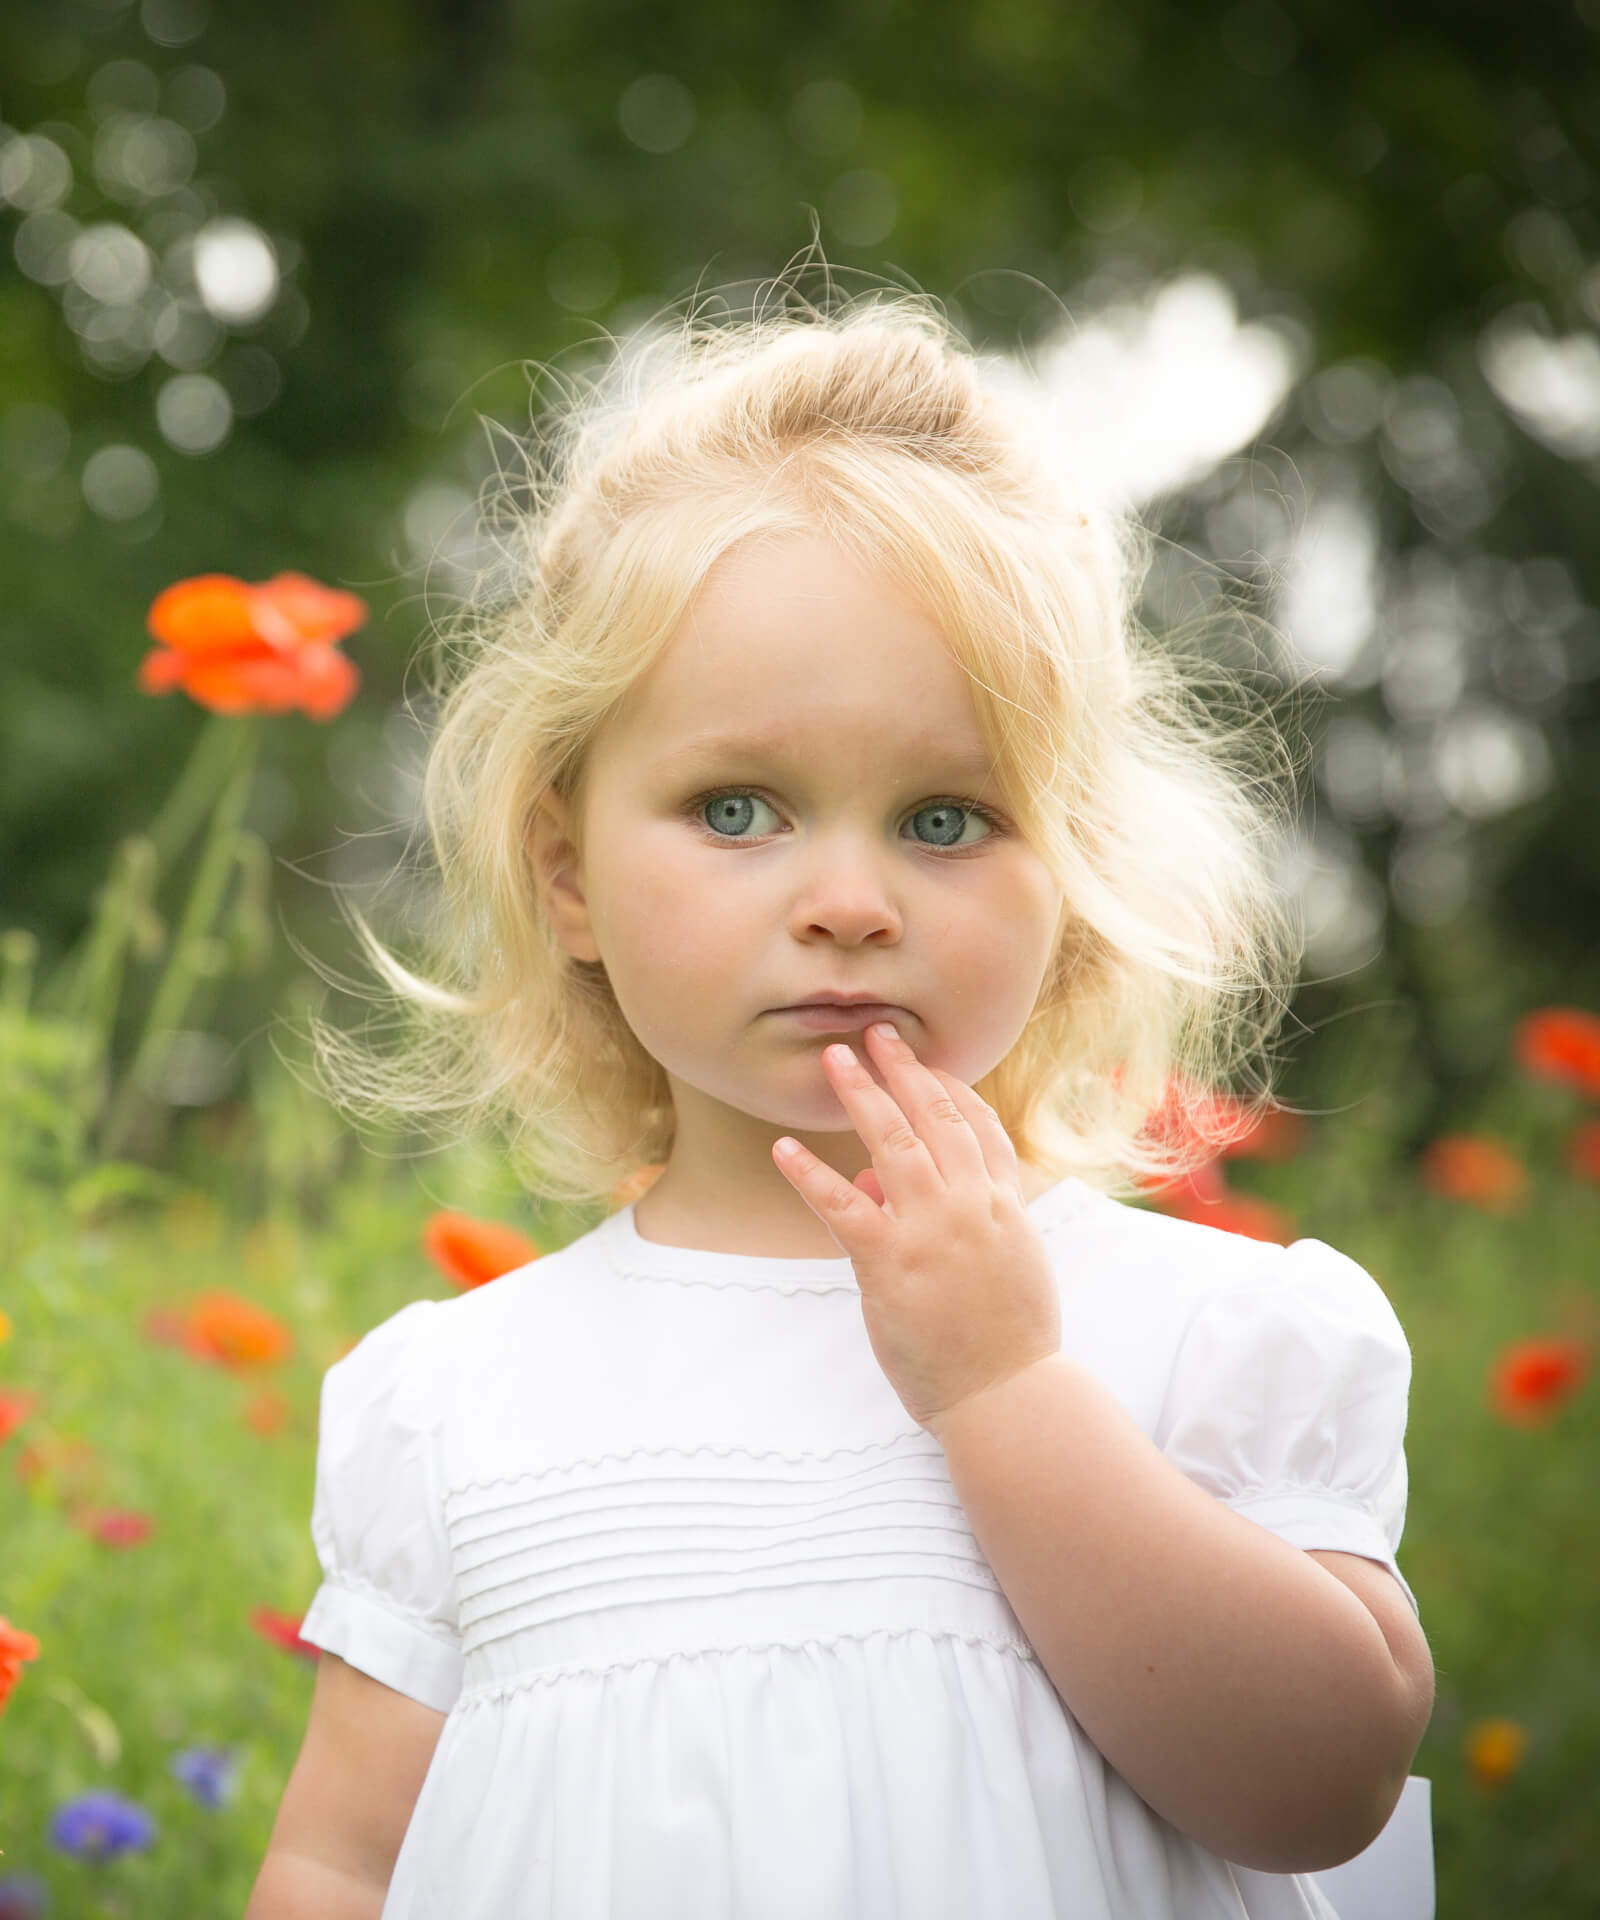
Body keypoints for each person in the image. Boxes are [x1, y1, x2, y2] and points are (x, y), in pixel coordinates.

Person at [245, 286, 1435, 1919]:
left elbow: (1322, 1790)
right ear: (566, 870)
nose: (851, 900)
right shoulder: (455, 1402)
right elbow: (341, 1860)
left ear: (1073, 879)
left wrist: (1006, 1390)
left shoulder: (1189, 1336)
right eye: (740, 808)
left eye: (947, 819)